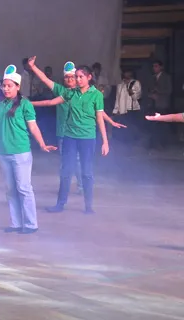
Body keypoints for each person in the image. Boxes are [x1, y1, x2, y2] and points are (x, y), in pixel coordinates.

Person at [0, 66, 54, 234]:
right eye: (4, 86)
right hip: (4, 153)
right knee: (10, 189)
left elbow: (33, 127)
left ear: (17, 87)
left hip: (20, 152)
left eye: (9, 86)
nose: (6, 89)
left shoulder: (25, 104)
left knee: (23, 188)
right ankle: (15, 223)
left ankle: (31, 224)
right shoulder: (1, 105)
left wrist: (42, 144)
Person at [26, 58, 118, 213]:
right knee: (66, 171)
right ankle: (60, 204)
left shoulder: (96, 95)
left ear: (89, 77)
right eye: (76, 77)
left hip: (87, 138)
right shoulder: (69, 93)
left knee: (87, 172)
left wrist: (105, 141)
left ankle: (88, 206)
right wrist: (28, 103)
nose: (77, 79)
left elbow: (99, 117)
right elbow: (50, 102)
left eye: (81, 77)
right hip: (69, 137)